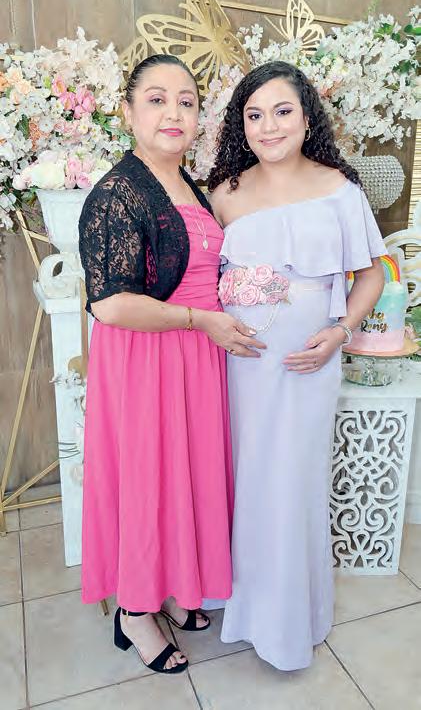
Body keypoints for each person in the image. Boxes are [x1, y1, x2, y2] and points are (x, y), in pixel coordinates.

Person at [78, 54, 265, 675]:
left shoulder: (191, 184)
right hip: (146, 359)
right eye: (156, 99)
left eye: (186, 101)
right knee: (147, 480)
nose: (174, 112)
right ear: (127, 112)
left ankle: (177, 585)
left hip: (195, 359)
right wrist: (198, 321)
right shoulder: (117, 194)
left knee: (185, 477)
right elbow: (110, 304)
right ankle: (134, 611)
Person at [208, 61, 386, 671]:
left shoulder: (340, 189)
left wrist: (340, 331)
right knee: (246, 477)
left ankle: (289, 620)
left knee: (293, 482)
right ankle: (242, 604)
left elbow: (372, 275)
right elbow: (202, 279)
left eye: (282, 111)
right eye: (254, 115)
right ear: (241, 126)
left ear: (307, 117)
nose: (269, 126)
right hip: (241, 366)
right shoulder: (225, 192)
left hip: (309, 364)